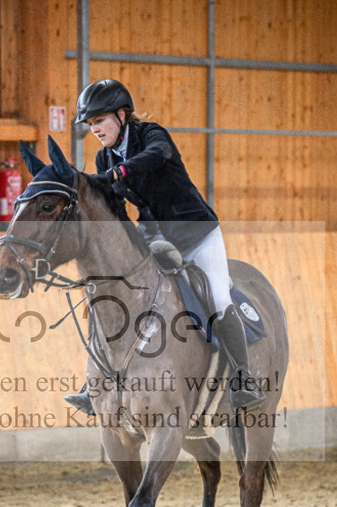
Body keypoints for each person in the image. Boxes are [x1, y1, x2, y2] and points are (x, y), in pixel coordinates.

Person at [64, 78, 264, 416]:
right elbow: (115, 212)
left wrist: (117, 173)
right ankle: (98, 382)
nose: (95, 129)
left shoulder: (152, 135)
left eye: (100, 120)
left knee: (217, 297)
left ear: (122, 115)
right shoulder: (103, 158)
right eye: (91, 123)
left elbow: (157, 156)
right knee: (113, 296)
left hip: (196, 234)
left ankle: (244, 379)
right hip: (155, 238)